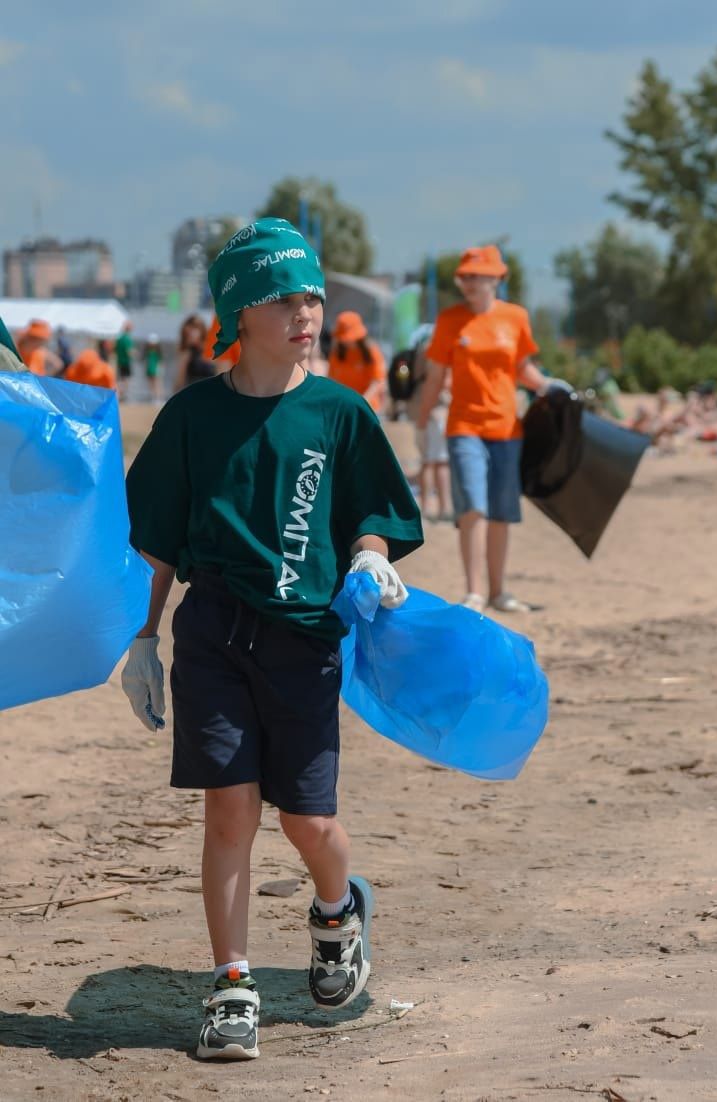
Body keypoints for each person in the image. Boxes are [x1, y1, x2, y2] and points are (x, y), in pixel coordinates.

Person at [121, 218, 423, 1062]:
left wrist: (369, 559)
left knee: (310, 825)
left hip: (306, 639)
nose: (306, 311)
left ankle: (336, 915)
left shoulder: (339, 411)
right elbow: (155, 538)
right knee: (230, 812)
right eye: (284, 298)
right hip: (214, 630)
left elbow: (376, 512)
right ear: (240, 312)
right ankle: (232, 984)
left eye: (313, 296)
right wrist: (142, 638)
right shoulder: (190, 418)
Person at [417, 245, 547, 614]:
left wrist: (549, 388)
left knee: (502, 511)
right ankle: (475, 592)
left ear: (497, 278)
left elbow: (523, 368)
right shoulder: (449, 321)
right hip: (464, 425)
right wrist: (423, 416)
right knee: (473, 505)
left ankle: (498, 591)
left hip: (507, 428)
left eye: (478, 275)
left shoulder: (515, 317)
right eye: (466, 276)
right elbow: (435, 376)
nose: (470, 282)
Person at [406, 327, 452, 520]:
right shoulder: (438, 349)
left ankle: (428, 507)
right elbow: (441, 382)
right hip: (436, 409)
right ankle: (442, 508)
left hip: (422, 408)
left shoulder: (422, 348)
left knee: (429, 460)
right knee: (438, 462)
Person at [328, 311, 387, 414]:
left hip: (368, 408)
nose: (346, 340)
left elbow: (377, 382)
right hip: (343, 408)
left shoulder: (371, 352)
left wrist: (362, 402)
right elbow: (331, 381)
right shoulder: (336, 354)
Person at [173, 314, 217, 391]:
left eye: (191, 332)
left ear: (201, 330)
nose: (189, 336)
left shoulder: (213, 348)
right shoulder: (187, 353)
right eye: (186, 335)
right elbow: (179, 381)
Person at [115, 322, 135, 401]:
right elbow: (129, 351)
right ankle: (122, 395)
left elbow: (115, 350)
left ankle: (120, 395)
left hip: (119, 361)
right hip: (126, 362)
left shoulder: (119, 338)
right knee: (126, 380)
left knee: (120, 379)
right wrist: (135, 353)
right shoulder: (127, 338)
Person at [143, 333, 163, 402]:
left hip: (155, 370)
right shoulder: (147, 351)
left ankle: (158, 398)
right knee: (151, 384)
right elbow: (145, 361)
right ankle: (153, 397)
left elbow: (160, 362)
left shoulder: (157, 352)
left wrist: (159, 370)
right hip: (149, 369)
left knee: (157, 384)